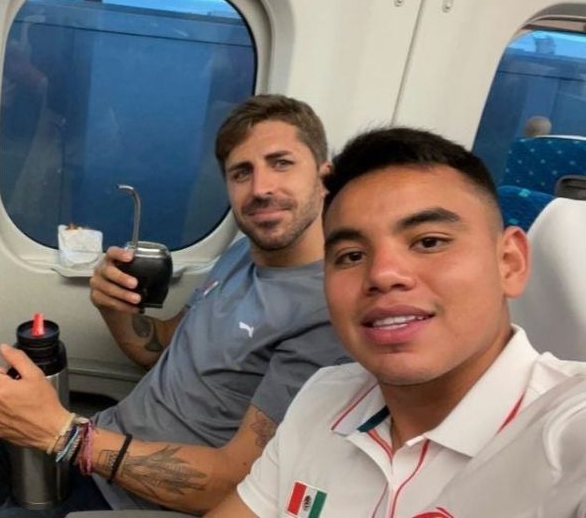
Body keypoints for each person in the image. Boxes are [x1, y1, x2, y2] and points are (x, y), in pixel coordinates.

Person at [0, 94, 349, 517]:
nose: (261, 188)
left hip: (132, 496)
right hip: (96, 445)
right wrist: (114, 308)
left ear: (325, 177)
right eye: (241, 173)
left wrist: (67, 435)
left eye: (282, 164)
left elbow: (231, 486)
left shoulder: (324, 316)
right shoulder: (242, 253)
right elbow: (158, 350)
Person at [209, 127, 586, 518]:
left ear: (510, 263)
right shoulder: (324, 396)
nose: (382, 274)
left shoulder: (566, 435)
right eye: (352, 256)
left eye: (429, 242)